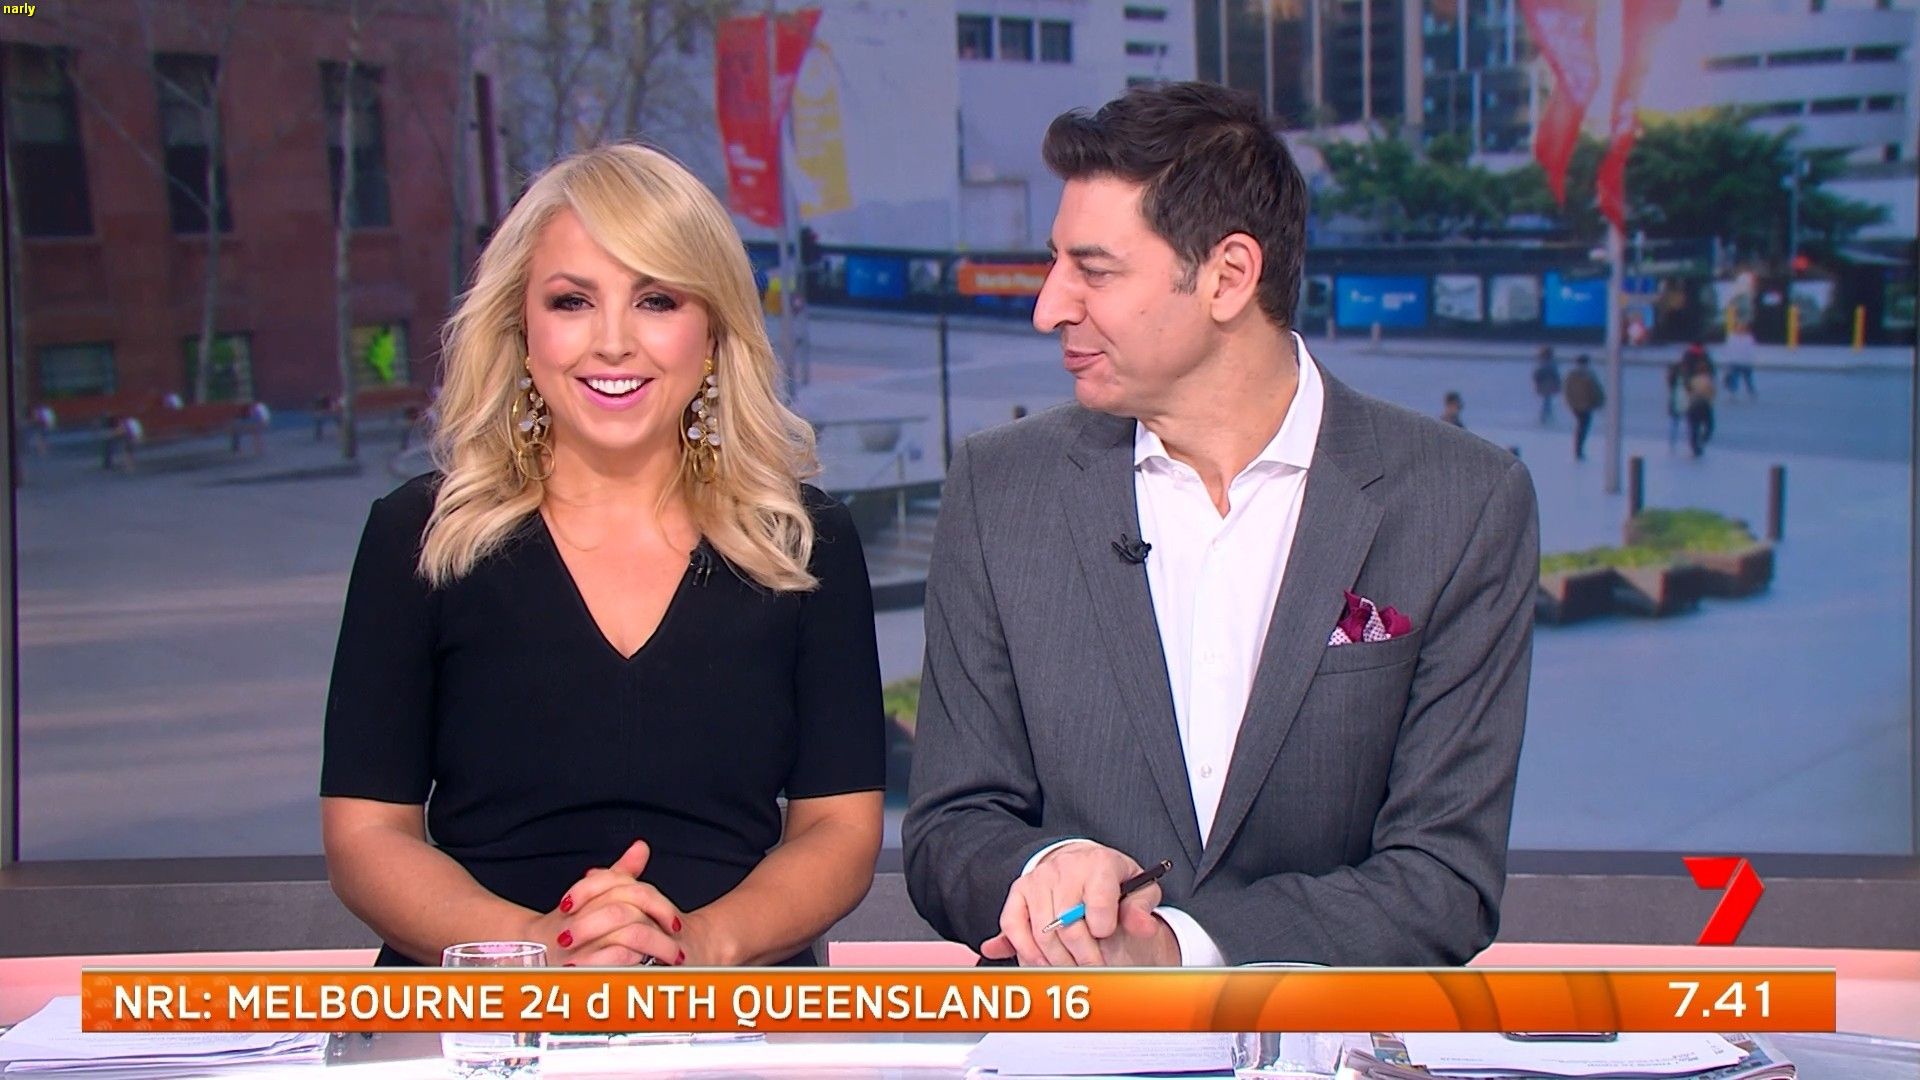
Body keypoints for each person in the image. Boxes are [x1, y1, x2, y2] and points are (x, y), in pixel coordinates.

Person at [903, 83, 1538, 968]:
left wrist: (1179, 948)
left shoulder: (1462, 501)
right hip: (1067, 1033)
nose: (1049, 307)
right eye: (1055, 265)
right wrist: (1046, 867)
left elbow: (1443, 881)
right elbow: (949, 829)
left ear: (1229, 276)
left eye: (1094, 270)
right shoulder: (1000, 489)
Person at [320, 144, 885, 969]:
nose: (613, 342)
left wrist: (699, 946)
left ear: (713, 329)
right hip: (483, 1010)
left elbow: (839, 829)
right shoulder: (421, 535)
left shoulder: (803, 543)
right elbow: (367, 833)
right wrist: (530, 949)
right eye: (572, 301)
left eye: (656, 300)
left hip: (733, 1005)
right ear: (521, 328)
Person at [1563, 354, 1604, 461]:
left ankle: (1578, 449)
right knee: (1583, 427)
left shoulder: (1571, 375)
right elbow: (1596, 390)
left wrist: (1570, 403)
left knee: (1581, 426)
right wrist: (1599, 402)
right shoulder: (1588, 375)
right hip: (1585, 405)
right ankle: (1579, 450)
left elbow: (1567, 391)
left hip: (1578, 405)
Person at [1682, 343, 1718, 457]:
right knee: (1709, 426)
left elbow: (1687, 388)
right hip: (1704, 405)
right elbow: (1712, 393)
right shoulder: (1707, 378)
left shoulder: (1689, 357)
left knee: (1694, 427)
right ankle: (1700, 442)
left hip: (1693, 404)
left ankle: (1695, 446)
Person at [1722, 322, 1757, 400]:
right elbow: (1728, 349)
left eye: (1742, 328)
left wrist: (1752, 360)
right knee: (1734, 378)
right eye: (1738, 327)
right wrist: (1727, 360)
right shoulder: (1731, 338)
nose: (1740, 329)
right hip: (1735, 361)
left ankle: (1751, 392)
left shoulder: (1749, 338)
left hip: (1746, 362)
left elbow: (1751, 350)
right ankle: (1733, 393)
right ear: (1735, 328)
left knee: (1748, 379)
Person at [1531, 346, 1561, 423]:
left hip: (1547, 384)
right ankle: (1545, 416)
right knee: (1547, 401)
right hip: (1546, 384)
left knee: (1547, 401)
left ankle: (1545, 416)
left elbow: (1537, 374)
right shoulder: (1548, 363)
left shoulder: (1546, 363)